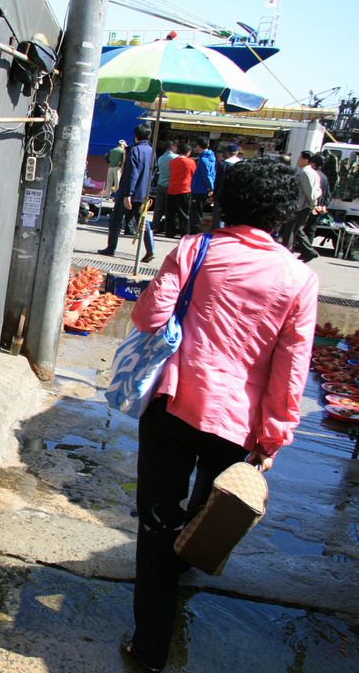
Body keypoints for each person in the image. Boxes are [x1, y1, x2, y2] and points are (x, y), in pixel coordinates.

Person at [124, 157, 317, 672]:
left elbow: (147, 316)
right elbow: (291, 368)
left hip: (174, 407)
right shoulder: (299, 278)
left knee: (157, 526)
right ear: (282, 212)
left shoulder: (195, 248)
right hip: (238, 428)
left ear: (224, 199)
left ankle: (149, 649)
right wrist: (273, 437)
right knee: (205, 517)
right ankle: (180, 579)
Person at [99, 124, 155, 260]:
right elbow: (152, 173)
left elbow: (131, 174)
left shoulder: (134, 151)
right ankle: (150, 250)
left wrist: (127, 194)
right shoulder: (152, 151)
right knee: (142, 221)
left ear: (135, 136)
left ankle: (111, 248)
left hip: (129, 192)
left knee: (116, 219)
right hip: (143, 192)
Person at [281, 150, 322, 262]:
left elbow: (309, 191)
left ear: (306, 160)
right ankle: (306, 251)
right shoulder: (313, 173)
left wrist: (313, 204)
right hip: (304, 206)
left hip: (300, 206)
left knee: (291, 229)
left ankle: (290, 252)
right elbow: (318, 190)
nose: (298, 160)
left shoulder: (305, 173)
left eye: (300, 158)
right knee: (296, 229)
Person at [165, 143, 195, 237]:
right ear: (188, 152)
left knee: (170, 214)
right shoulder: (190, 162)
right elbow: (193, 173)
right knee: (184, 214)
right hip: (184, 190)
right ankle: (184, 233)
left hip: (171, 189)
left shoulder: (172, 162)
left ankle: (169, 232)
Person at [211, 142, 242, 228]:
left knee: (219, 217)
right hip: (237, 195)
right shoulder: (242, 164)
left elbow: (217, 181)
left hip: (222, 194)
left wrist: (214, 195)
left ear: (227, 153)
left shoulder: (222, 164)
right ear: (236, 153)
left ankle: (219, 234)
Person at [189, 138, 216, 234]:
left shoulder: (203, 160)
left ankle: (195, 233)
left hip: (199, 189)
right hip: (203, 189)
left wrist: (210, 187)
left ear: (198, 146)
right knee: (198, 212)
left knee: (196, 213)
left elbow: (206, 175)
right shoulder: (211, 157)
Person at [153, 140, 177, 235]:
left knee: (158, 207)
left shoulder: (160, 158)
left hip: (160, 184)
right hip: (170, 185)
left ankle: (155, 226)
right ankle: (167, 227)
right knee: (169, 209)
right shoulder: (176, 158)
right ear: (173, 147)